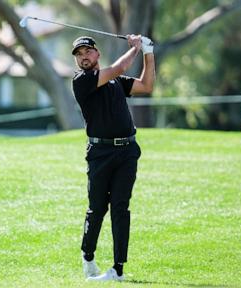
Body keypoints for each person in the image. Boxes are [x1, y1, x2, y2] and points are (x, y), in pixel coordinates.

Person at [71, 35, 155, 282]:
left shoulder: (116, 82)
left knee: (120, 207)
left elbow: (146, 85)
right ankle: (88, 256)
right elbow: (119, 66)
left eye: (88, 51)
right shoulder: (81, 81)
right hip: (100, 154)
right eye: (79, 54)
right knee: (97, 208)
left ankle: (118, 269)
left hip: (127, 151)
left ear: (97, 54)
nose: (83, 56)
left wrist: (149, 53)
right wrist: (137, 47)